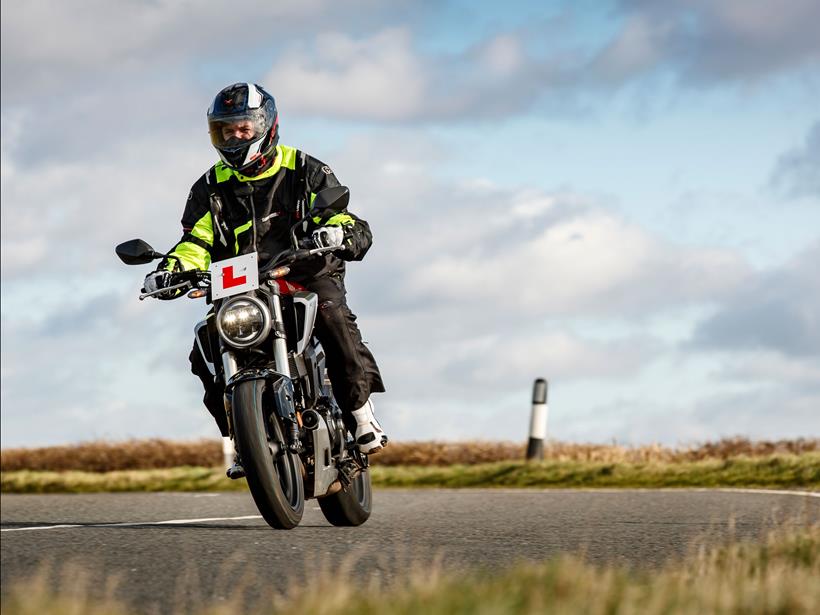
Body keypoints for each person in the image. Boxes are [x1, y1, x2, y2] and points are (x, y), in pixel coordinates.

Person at [143, 82, 387, 477]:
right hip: (238, 285)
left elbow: (339, 214)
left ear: (265, 125)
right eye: (226, 130)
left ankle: (361, 416)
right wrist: (172, 268)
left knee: (331, 315)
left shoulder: (304, 167)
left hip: (303, 272)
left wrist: (337, 231)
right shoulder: (209, 186)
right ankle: (242, 440)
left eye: (243, 128)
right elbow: (197, 239)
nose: (235, 136)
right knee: (204, 350)